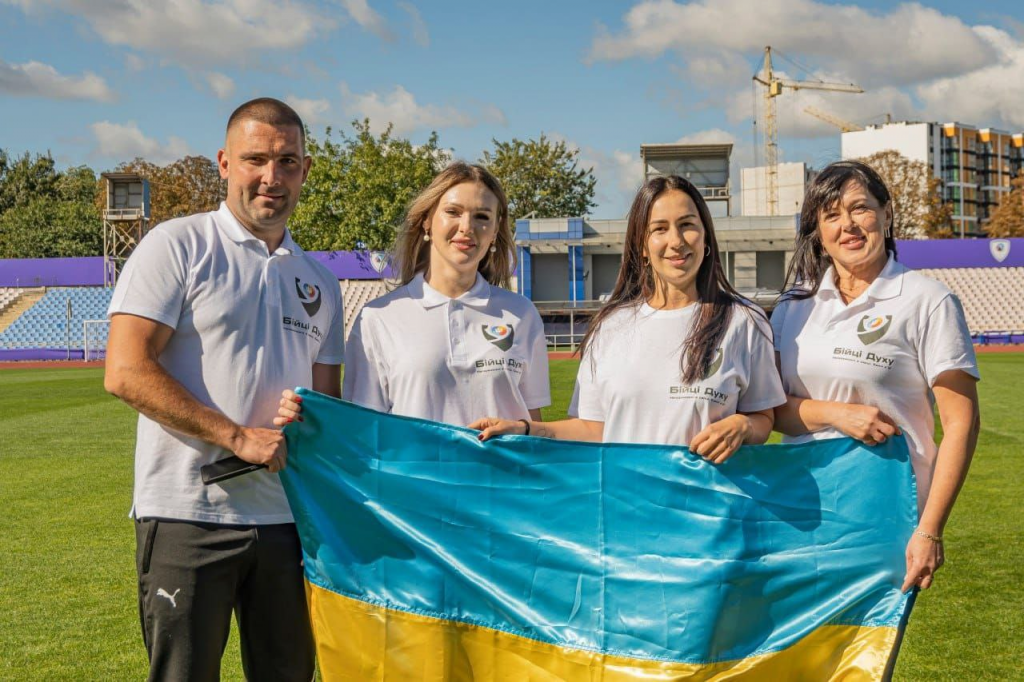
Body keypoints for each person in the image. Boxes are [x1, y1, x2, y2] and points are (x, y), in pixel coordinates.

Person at [104, 97, 344, 681]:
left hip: (289, 521)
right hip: (187, 515)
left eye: (287, 162)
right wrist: (237, 436)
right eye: (256, 159)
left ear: (306, 170)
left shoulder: (320, 281)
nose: (271, 176)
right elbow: (126, 370)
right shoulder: (178, 245)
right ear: (224, 163)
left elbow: (327, 404)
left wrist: (309, 418)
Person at [770, 160, 981, 595]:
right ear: (818, 232)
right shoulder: (793, 306)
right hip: (801, 513)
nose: (847, 225)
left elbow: (961, 423)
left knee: (869, 641)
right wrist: (837, 415)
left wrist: (930, 530)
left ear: (886, 215)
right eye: (831, 215)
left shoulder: (929, 300)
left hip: (888, 517)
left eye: (860, 208)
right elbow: (771, 411)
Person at [471, 174, 784, 461]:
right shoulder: (610, 327)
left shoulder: (743, 321)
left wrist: (743, 425)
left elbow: (764, 419)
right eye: (659, 229)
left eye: (687, 224)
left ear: (705, 237)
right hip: (624, 504)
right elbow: (592, 430)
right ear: (642, 246)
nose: (676, 241)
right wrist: (525, 429)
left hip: (708, 504)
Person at [276, 162, 549, 428]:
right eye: (453, 212)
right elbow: (364, 430)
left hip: (502, 464)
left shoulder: (521, 314)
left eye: (482, 216)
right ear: (427, 221)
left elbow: (534, 428)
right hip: (410, 463)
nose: (467, 227)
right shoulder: (378, 318)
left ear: (496, 229)